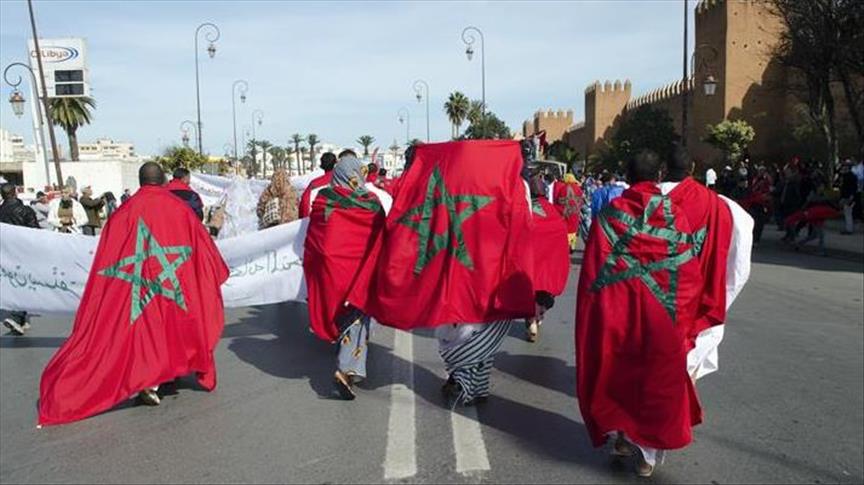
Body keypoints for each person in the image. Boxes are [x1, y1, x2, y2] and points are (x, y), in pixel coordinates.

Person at [38, 162, 229, 426]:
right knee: (171, 327)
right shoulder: (181, 211)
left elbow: (108, 257)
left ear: (141, 182)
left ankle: (151, 379)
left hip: (138, 284)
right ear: (162, 180)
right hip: (171, 284)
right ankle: (160, 375)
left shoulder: (122, 214)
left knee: (145, 331)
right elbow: (204, 251)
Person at [303, 155, 385, 400]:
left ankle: (346, 361)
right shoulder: (371, 202)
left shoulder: (323, 199)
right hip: (359, 271)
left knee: (339, 313)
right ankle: (346, 369)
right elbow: (381, 235)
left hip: (329, 271)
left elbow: (314, 235)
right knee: (358, 316)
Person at [0, 183, 40, 335]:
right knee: (23, 283)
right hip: (23, 253)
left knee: (11, 283)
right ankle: (17, 317)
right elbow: (35, 232)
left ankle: (20, 319)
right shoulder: (25, 210)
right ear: (15, 192)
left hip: (4, 253)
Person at [299, 152, 337, 218]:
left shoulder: (314, 184)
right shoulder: (342, 181)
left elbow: (305, 204)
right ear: (335, 163)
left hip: (316, 221)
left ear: (322, 164)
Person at [553, 172, 583, 252]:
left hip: (565, 212)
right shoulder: (578, 188)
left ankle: (566, 246)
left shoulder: (563, 188)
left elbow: (558, 201)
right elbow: (581, 201)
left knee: (566, 229)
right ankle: (572, 246)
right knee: (574, 228)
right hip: (575, 212)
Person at [839, 161, 858, 234]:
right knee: (848, 213)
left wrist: (851, 196)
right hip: (847, 196)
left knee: (848, 213)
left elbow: (852, 187)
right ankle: (849, 228)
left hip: (847, 197)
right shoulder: (849, 176)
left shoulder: (849, 176)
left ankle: (849, 229)